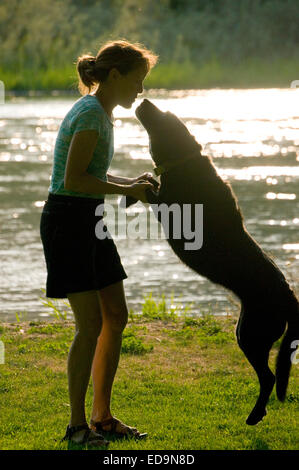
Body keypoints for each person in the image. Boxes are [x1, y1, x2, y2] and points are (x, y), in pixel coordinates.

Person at [40, 39, 158, 447]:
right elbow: (73, 181)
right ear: (114, 76)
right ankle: (76, 429)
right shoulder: (91, 114)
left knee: (116, 315)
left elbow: (90, 179)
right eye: (137, 81)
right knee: (89, 323)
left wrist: (133, 183)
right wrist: (129, 189)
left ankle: (102, 417)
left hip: (88, 218)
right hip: (67, 221)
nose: (140, 91)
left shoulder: (102, 114)